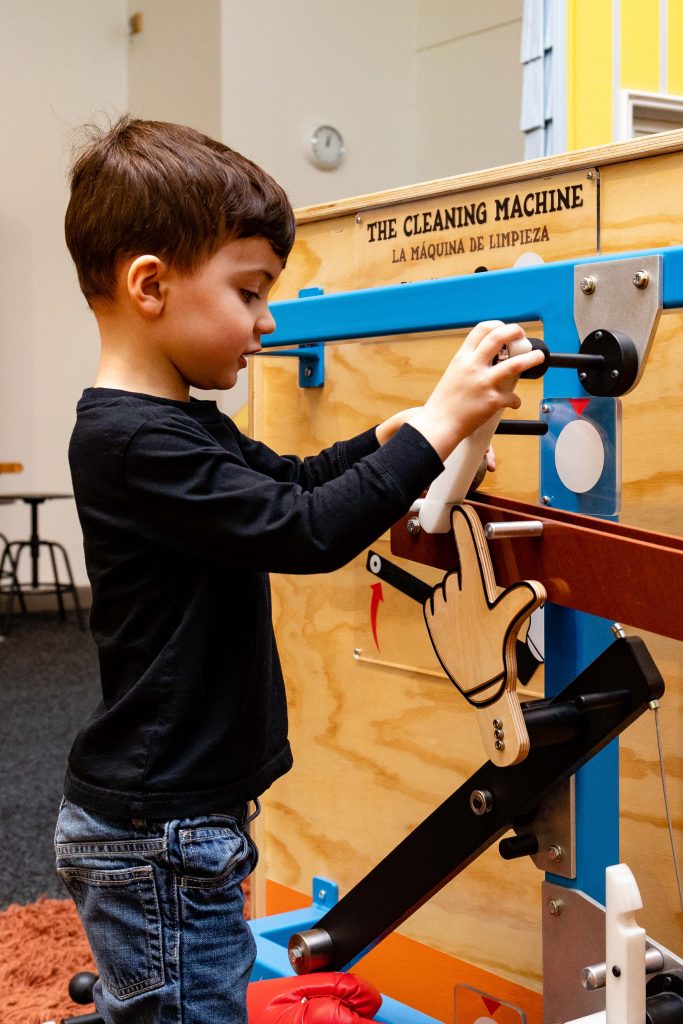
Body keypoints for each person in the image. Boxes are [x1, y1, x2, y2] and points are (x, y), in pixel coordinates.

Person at [54, 116, 544, 1024]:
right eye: (249, 292)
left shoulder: (180, 423)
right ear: (151, 285)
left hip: (181, 820)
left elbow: (291, 481)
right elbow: (304, 530)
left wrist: (386, 439)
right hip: (157, 832)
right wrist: (436, 427)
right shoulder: (129, 441)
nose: (267, 322)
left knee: (194, 994)